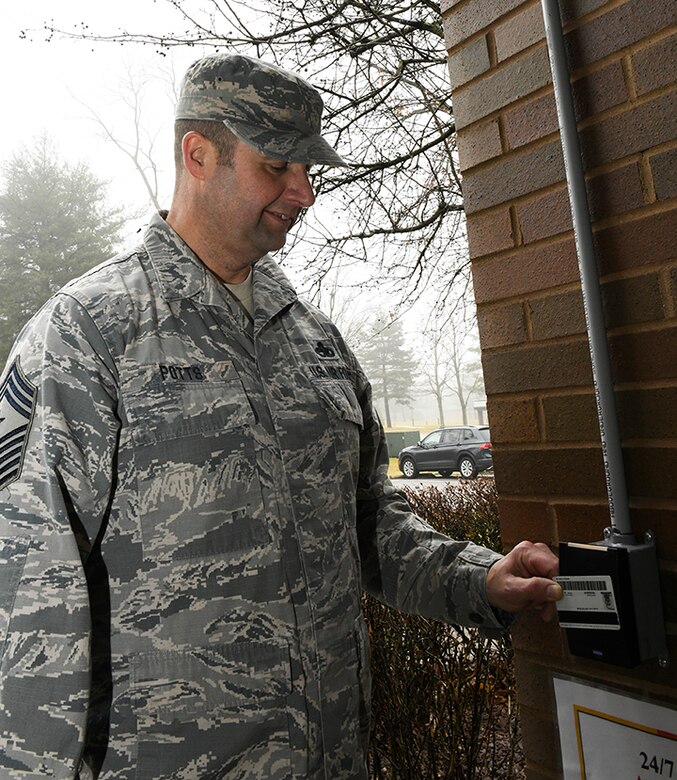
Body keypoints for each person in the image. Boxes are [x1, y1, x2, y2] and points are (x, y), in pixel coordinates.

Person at [0, 53, 561, 779]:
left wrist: (478, 580)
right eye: (277, 166)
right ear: (198, 154)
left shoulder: (315, 343)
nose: (304, 191)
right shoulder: (88, 333)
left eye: (309, 170)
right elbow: (31, 589)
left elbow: (364, 521)